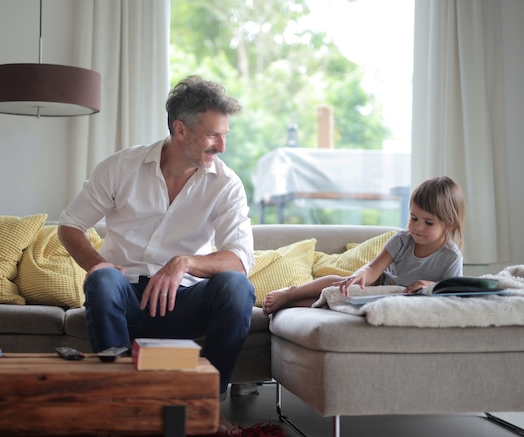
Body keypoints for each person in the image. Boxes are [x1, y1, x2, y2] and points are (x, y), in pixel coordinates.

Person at [58, 75, 255, 432]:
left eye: (225, 135)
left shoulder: (226, 184)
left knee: (237, 288)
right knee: (102, 280)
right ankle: (123, 406)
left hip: (186, 301)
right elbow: (69, 225)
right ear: (180, 130)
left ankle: (206, 404)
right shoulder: (120, 168)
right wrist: (99, 265)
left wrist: (184, 262)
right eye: (214, 135)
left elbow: (240, 259)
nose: (222, 146)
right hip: (125, 298)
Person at [262, 176, 466, 315]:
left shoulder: (451, 256)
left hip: (402, 300)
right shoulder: (402, 240)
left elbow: (453, 292)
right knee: (341, 285)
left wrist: (430, 285)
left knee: (333, 303)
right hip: (379, 288)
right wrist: (359, 276)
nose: (418, 227)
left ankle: (288, 304)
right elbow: (374, 268)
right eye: (413, 218)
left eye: (428, 222)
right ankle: (293, 292)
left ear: (448, 224)